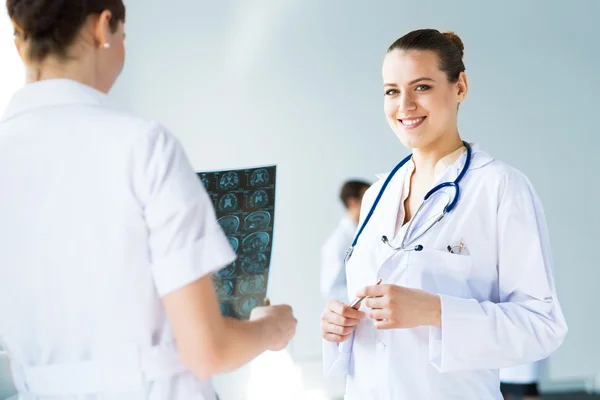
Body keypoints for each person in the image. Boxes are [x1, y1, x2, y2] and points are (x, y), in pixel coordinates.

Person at [0, 1, 296, 399]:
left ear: (20, 44)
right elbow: (208, 352)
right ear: (103, 28)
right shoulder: (142, 147)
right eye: (123, 35)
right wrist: (272, 328)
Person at [319, 28, 568, 399]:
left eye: (421, 87)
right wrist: (338, 325)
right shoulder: (377, 196)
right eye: (391, 91)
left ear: (460, 87)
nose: (404, 105)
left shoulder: (500, 188)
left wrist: (436, 311)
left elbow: (541, 326)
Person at [320, 180, 370, 303]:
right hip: (357, 314)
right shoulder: (338, 242)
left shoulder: (368, 233)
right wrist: (369, 295)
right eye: (368, 198)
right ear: (352, 202)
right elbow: (332, 289)